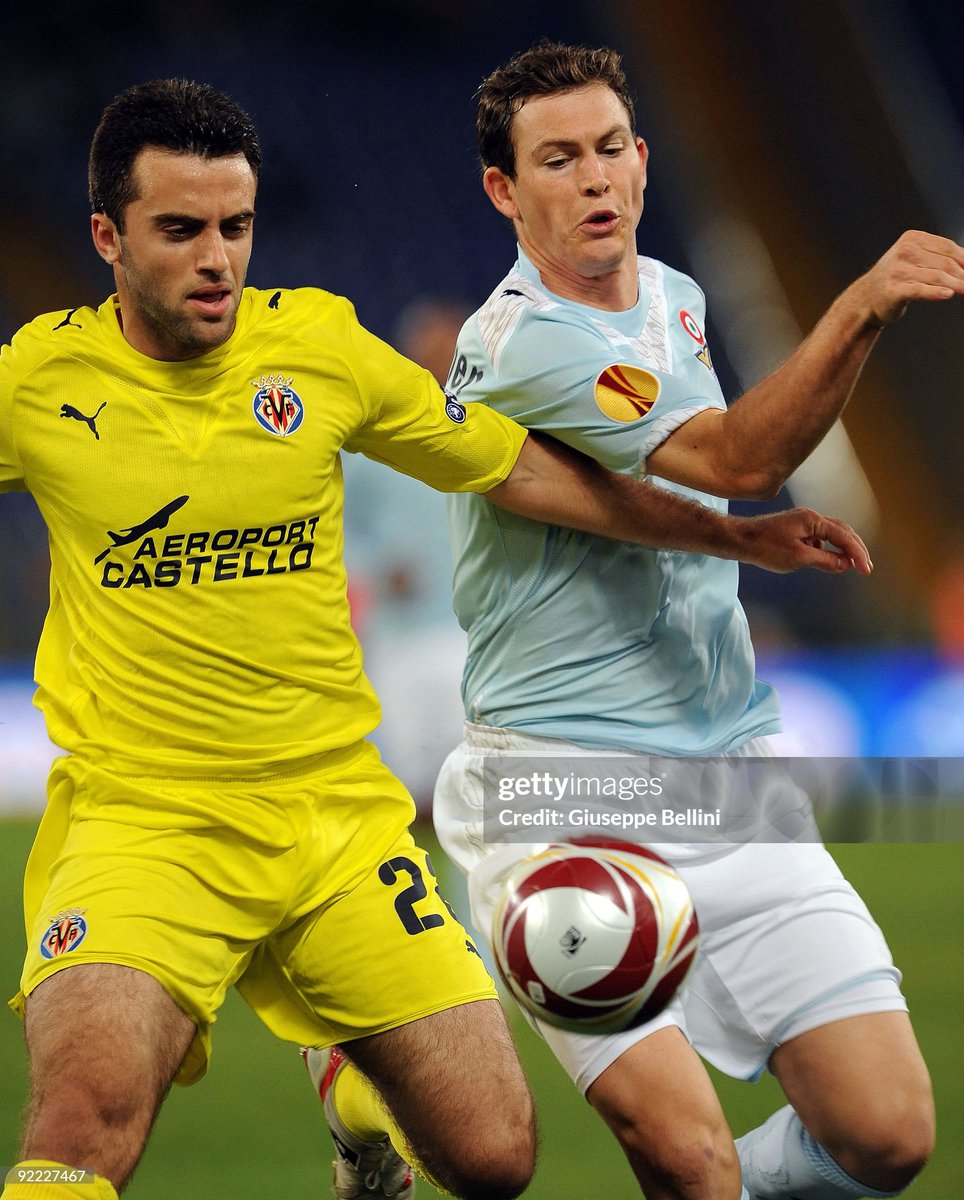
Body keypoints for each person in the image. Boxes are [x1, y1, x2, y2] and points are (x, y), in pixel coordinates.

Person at [0, 78, 868, 1200]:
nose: (217, 259)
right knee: (83, 1124)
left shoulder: (318, 345)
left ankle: (349, 1097)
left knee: (494, 1158)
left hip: (333, 820)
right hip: (143, 824)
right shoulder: (39, 381)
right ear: (106, 238)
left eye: (236, 226)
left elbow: (520, 471)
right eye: (179, 230)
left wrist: (734, 537)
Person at [429, 41, 961, 1200]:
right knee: (687, 1158)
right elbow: (737, 460)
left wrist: (737, 540)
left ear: (642, 158)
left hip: (728, 780)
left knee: (885, 1136)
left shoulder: (674, 296)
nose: (593, 178)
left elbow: (630, 492)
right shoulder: (520, 343)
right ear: (502, 190)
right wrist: (860, 307)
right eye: (557, 159)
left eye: (610, 148)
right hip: (560, 798)